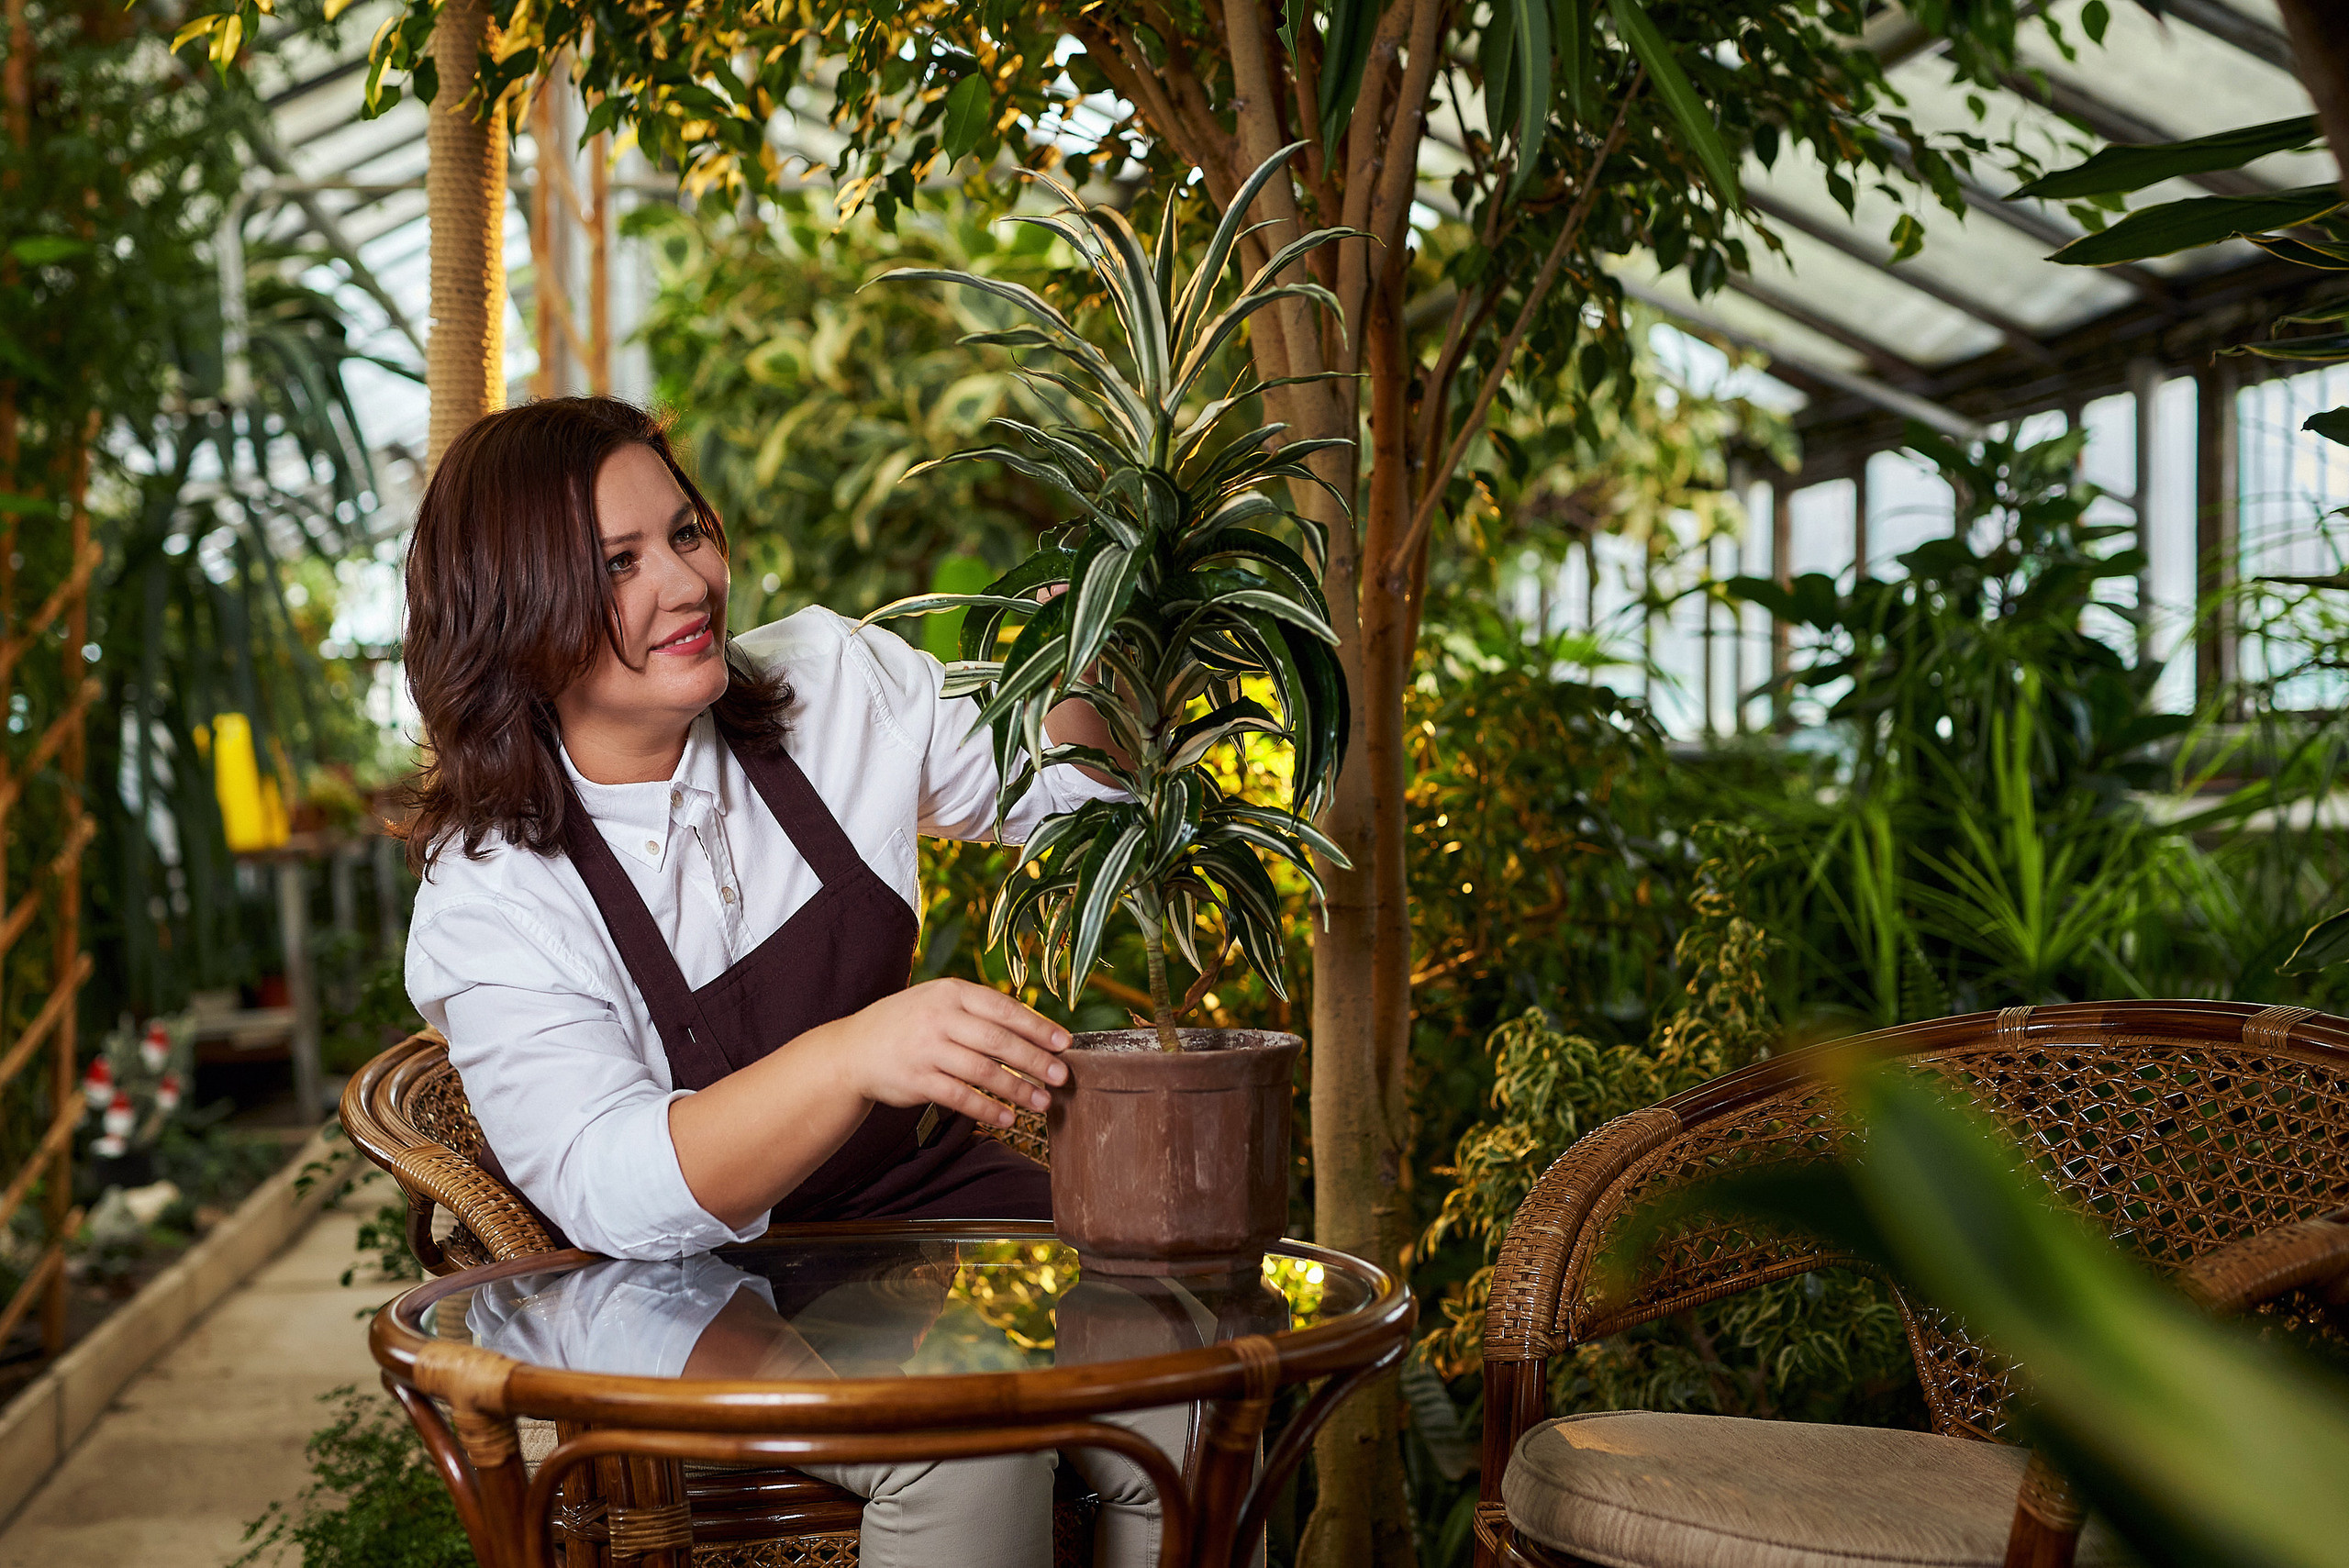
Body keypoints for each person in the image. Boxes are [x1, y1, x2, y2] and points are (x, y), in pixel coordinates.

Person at [399, 395, 1155, 1566]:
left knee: (1185, 1376)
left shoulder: (828, 689)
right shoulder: (492, 893)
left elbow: (1067, 794)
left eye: (687, 531)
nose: (689, 580)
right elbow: (610, 1186)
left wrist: (1095, 647)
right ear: (514, 606)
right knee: (960, 1435)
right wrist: (854, 1052)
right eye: (620, 562)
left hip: (917, 1209)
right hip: (676, 1286)